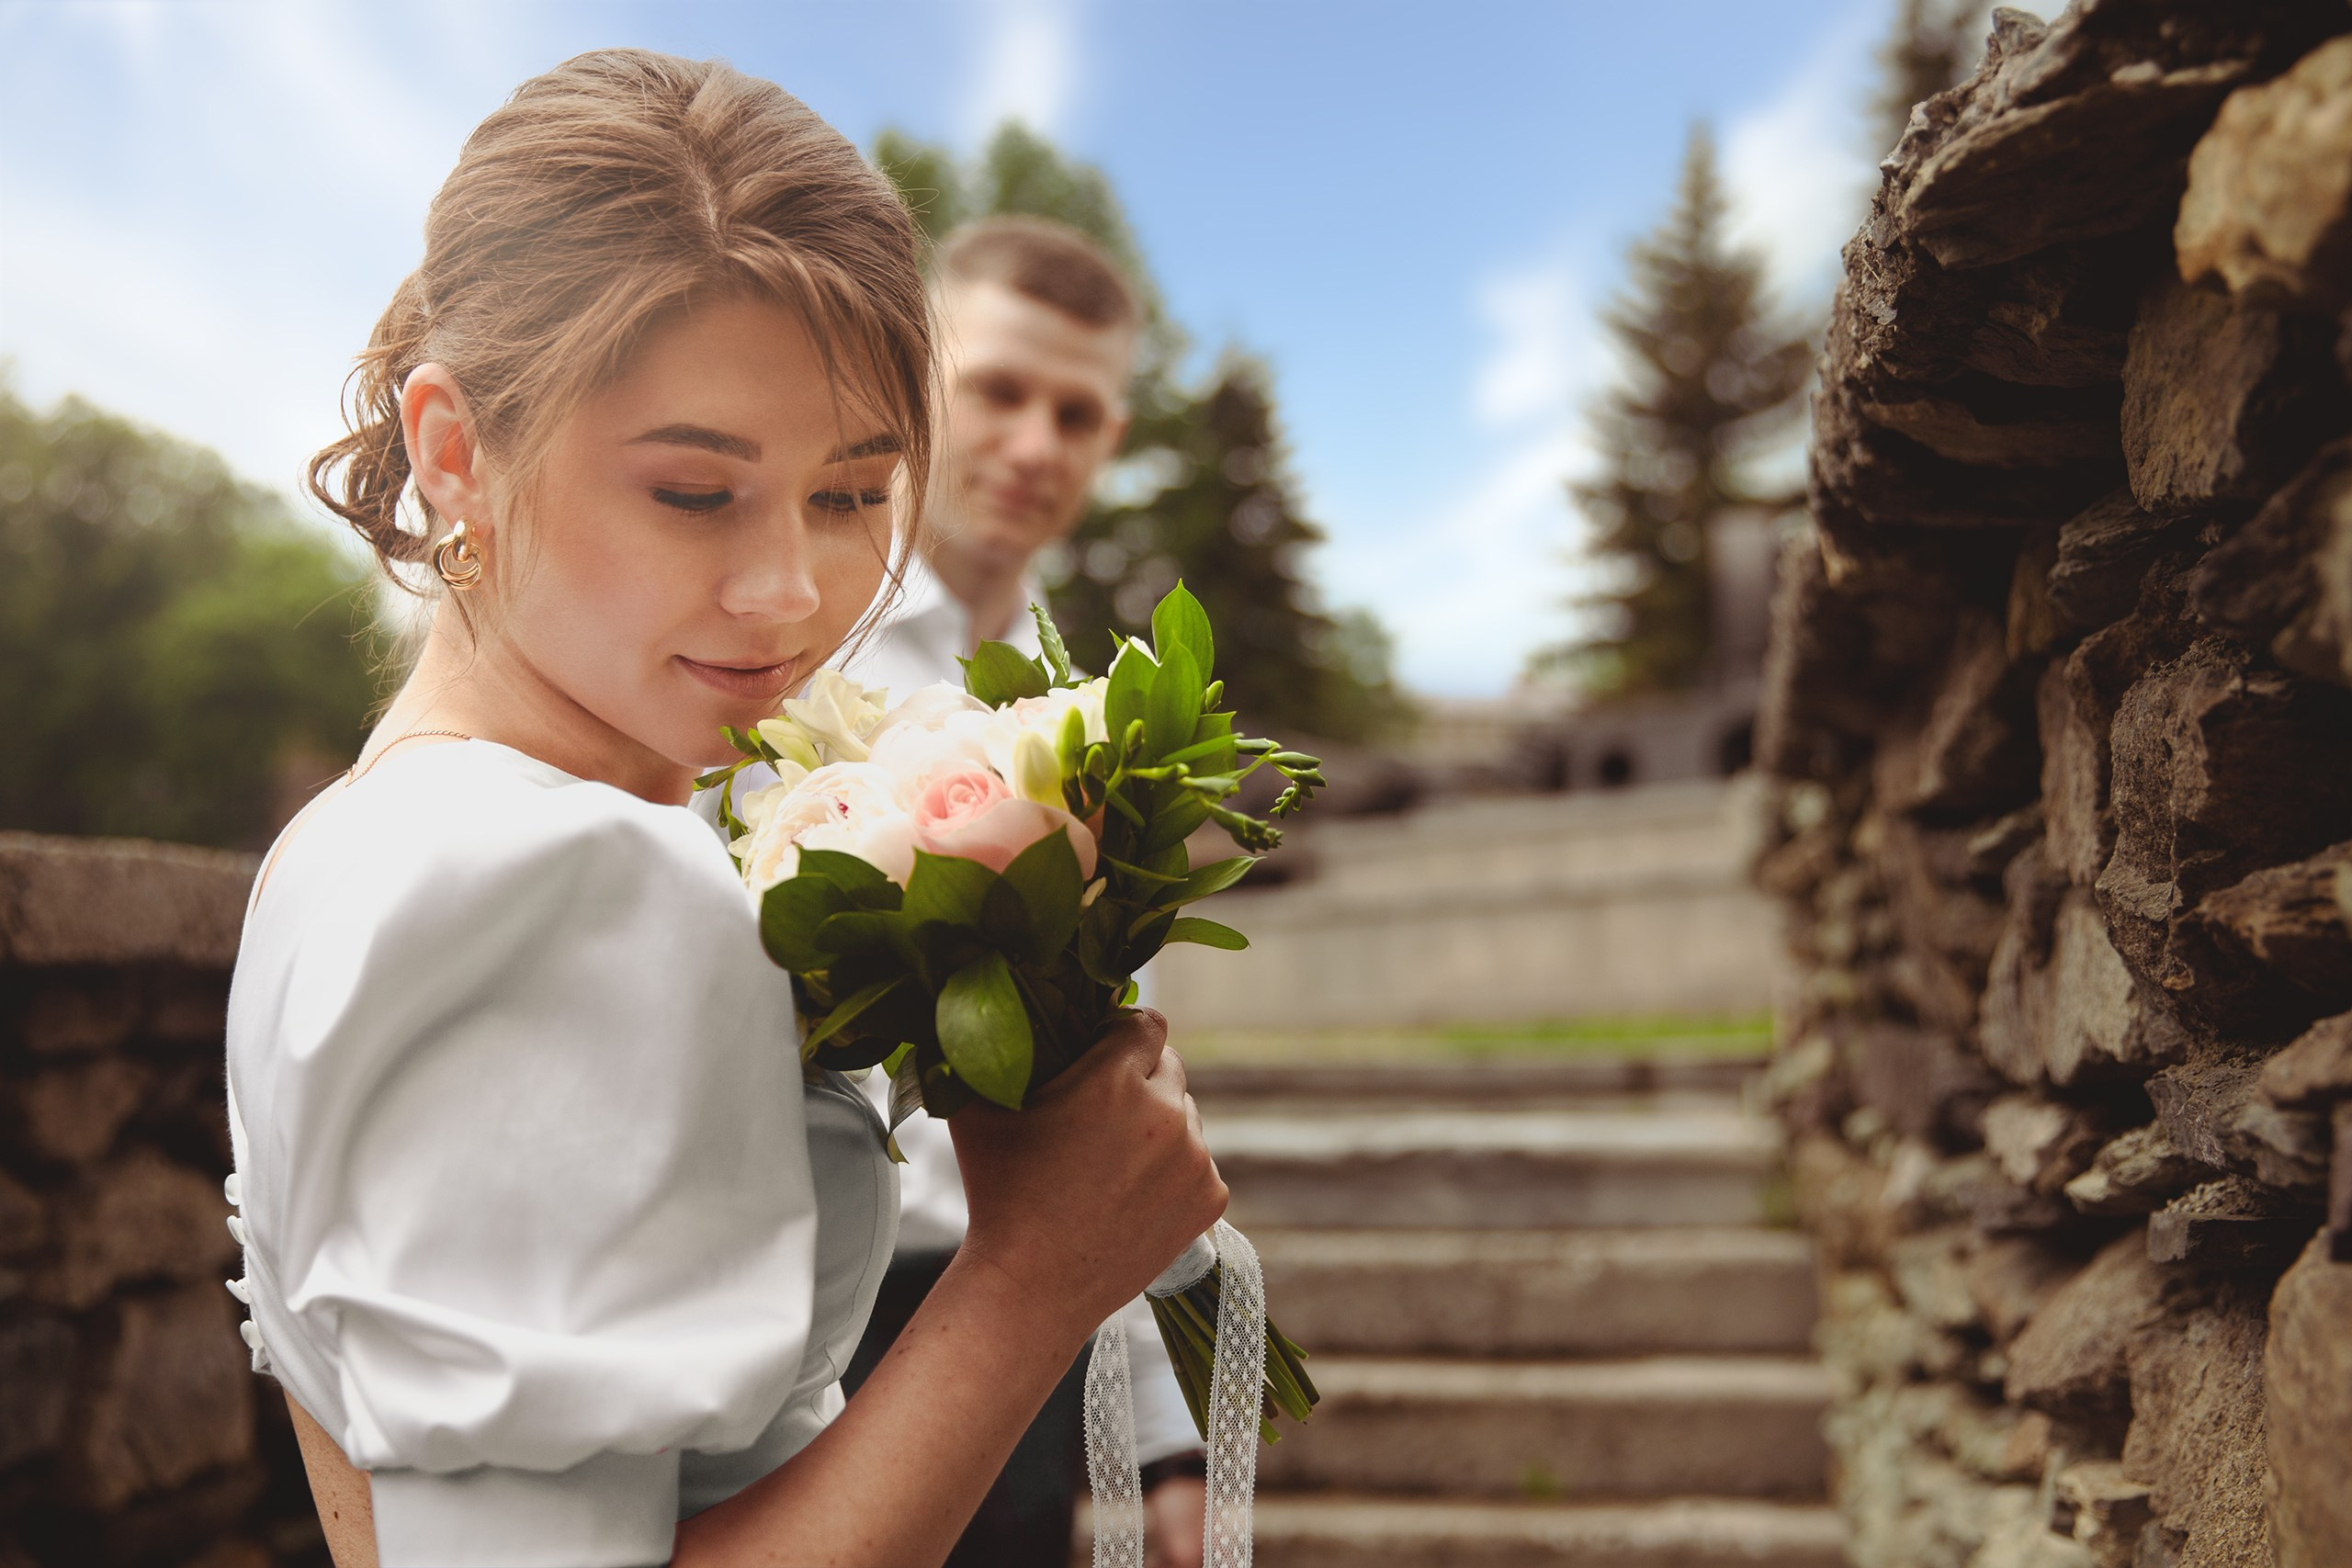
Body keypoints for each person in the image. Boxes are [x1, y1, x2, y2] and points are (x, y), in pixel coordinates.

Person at [225, 51, 1224, 1568]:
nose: (790, 595)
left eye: (852, 494)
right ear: (454, 453)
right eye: (695, 493)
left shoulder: (353, 842)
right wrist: (1032, 1280)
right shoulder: (561, 876)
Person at [834, 216, 1209, 1568]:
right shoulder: (785, 646)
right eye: (999, 390)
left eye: (1079, 413)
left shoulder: (1096, 711)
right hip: (790, 1328)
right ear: (916, 383)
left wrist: (1166, 1438)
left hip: (1020, 1346)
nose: (1038, 443)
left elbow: (1115, 1083)